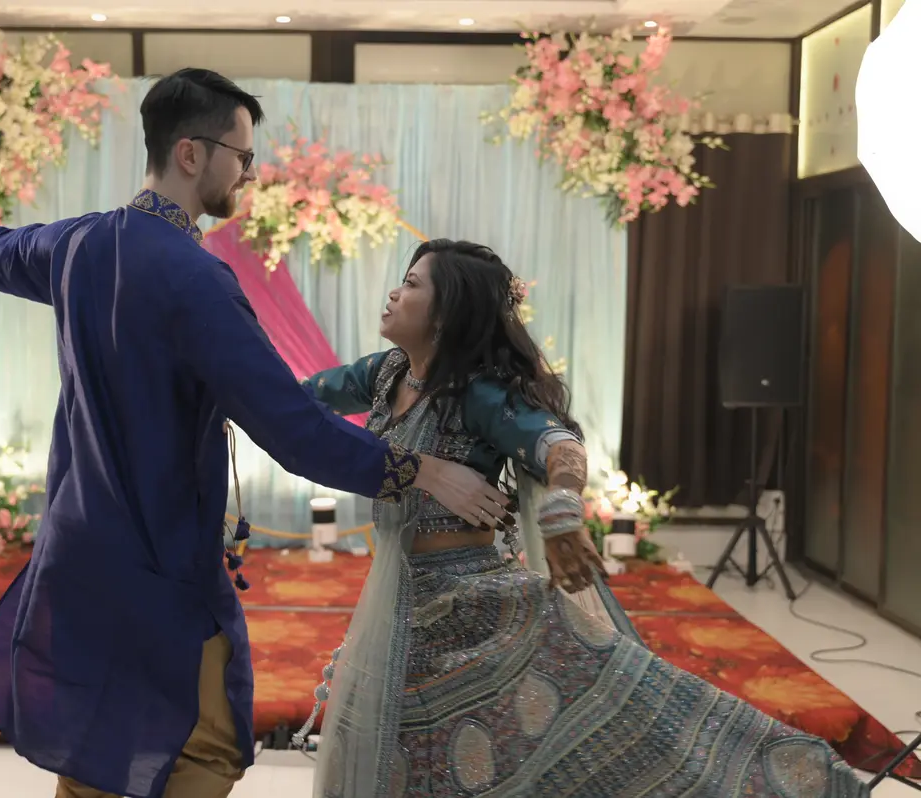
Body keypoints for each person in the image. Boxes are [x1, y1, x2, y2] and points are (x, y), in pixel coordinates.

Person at [0, 70, 514, 798]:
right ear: (191, 153)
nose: (249, 174)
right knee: (208, 746)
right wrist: (420, 469)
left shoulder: (75, 244)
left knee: (101, 747)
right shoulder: (196, 280)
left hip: (75, 546)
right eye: (243, 156)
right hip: (159, 555)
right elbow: (291, 427)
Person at [296, 239, 869, 798]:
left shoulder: (478, 395)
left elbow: (559, 445)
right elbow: (299, 402)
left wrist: (563, 512)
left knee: (523, 746)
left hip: (467, 605)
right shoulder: (386, 374)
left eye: (411, 284)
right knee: (402, 752)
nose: (393, 294)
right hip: (399, 598)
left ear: (447, 313)